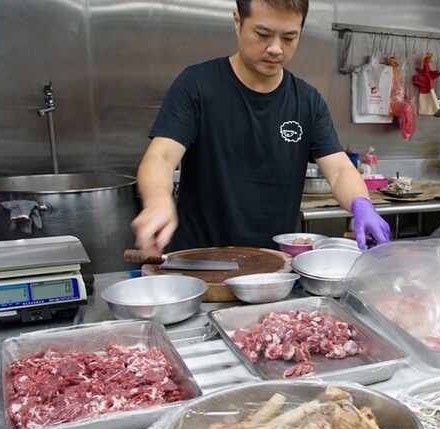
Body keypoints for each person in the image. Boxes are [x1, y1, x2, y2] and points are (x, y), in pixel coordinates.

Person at [131, 0, 389, 254]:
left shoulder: (307, 102)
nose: (275, 48)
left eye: (289, 38)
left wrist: (361, 204)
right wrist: (157, 201)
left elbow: (340, 170)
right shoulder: (197, 85)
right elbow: (160, 158)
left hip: (274, 265)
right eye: (263, 34)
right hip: (199, 263)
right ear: (238, 22)